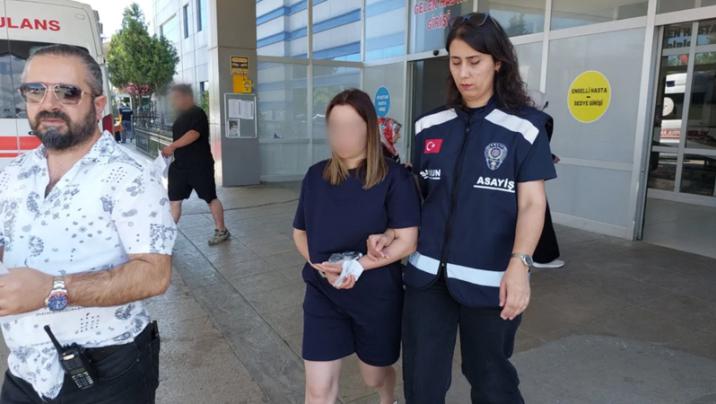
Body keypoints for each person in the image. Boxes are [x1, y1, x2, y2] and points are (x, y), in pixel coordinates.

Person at [368, 13, 556, 403]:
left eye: (475, 61)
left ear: (498, 62)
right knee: (422, 381)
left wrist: (520, 265)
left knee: (491, 380)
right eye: (456, 62)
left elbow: (532, 203)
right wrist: (391, 232)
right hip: (426, 278)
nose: (464, 73)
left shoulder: (526, 127)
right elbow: (419, 196)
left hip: (492, 280)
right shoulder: (429, 125)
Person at [0, 44, 176, 403]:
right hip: (25, 371)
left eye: (67, 92)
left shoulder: (131, 176)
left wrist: (52, 290)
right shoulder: (12, 174)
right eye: (35, 90)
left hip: (108, 372)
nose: (49, 103)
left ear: (98, 106)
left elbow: (154, 275)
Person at [292, 89, 420, 404]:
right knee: (318, 390)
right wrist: (322, 267)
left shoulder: (394, 178)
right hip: (324, 293)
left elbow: (407, 241)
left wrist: (355, 267)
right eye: (335, 127)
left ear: (369, 129)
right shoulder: (315, 176)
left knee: (373, 376)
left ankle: (387, 398)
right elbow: (299, 233)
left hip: (376, 297)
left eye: (351, 126)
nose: (342, 135)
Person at [161, 84, 230, 245]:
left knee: (210, 198)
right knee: (174, 201)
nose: (174, 101)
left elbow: (193, 134)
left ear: (187, 97)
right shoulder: (180, 117)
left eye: (177, 97)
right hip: (180, 166)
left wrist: (172, 146)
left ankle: (222, 230)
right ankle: (166, 237)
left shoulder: (197, 113)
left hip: (200, 165)